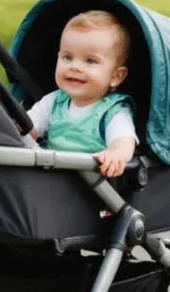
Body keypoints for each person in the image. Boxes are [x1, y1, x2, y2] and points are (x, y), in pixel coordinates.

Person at [24, 11, 138, 177]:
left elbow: (124, 139)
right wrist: (25, 130)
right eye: (68, 57)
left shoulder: (113, 111)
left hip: (94, 187)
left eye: (90, 61)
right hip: (50, 178)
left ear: (115, 76)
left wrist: (116, 154)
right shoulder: (54, 101)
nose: (75, 67)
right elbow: (28, 125)